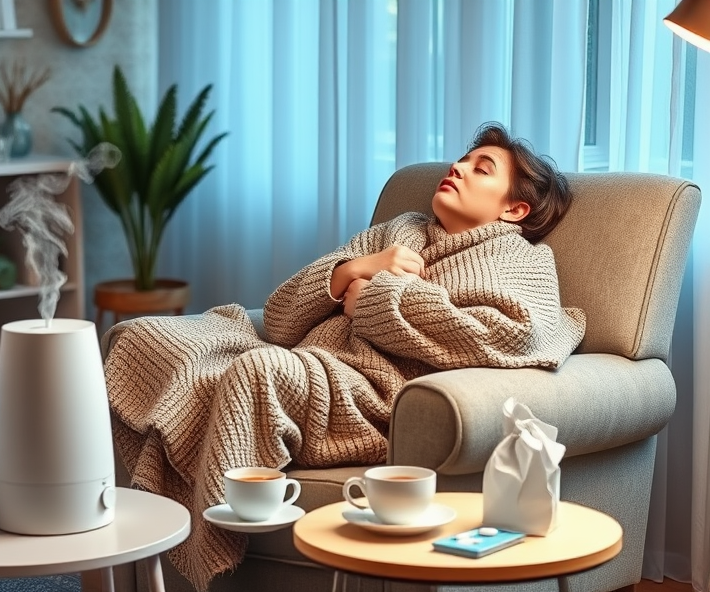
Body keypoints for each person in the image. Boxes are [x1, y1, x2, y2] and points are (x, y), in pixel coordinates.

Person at [101, 122, 586, 591]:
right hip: (301, 356)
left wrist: (373, 300)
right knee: (143, 336)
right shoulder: (401, 229)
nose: (458, 167)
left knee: (258, 371)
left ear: (514, 209)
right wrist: (357, 268)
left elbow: (512, 336)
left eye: (481, 168)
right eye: (462, 158)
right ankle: (129, 529)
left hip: (370, 396)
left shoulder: (521, 260)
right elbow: (282, 314)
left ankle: (207, 547)